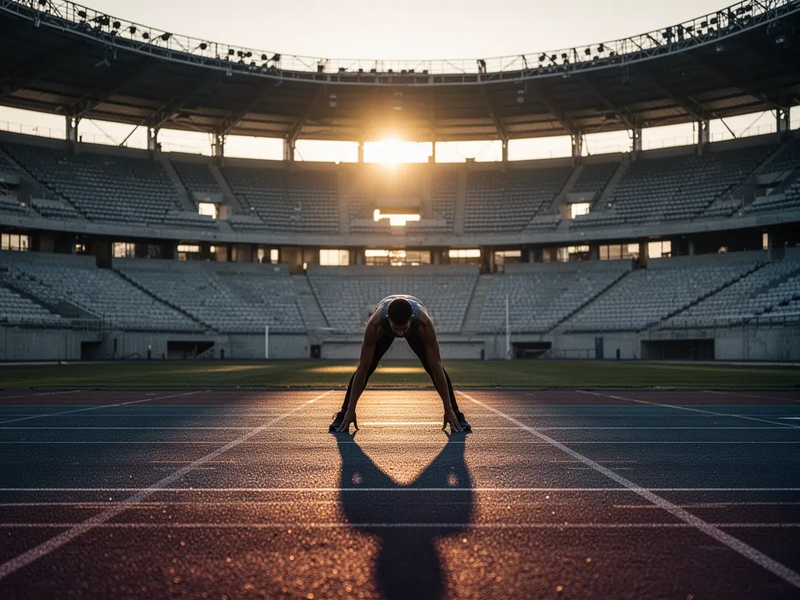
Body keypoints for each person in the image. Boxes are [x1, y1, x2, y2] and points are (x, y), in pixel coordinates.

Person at [330, 295, 471, 433]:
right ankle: (344, 413)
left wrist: (448, 409)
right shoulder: (375, 325)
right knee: (368, 367)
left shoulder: (424, 325)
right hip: (387, 323)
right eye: (396, 328)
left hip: (414, 326)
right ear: (388, 319)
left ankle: (455, 414)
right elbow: (363, 367)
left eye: (404, 328)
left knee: (432, 367)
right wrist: (351, 409)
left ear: (411, 319)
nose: (400, 333)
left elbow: (436, 367)